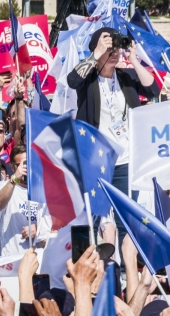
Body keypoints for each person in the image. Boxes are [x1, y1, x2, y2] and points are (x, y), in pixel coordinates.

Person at [67, 27, 160, 249]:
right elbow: (71, 80)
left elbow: (153, 90)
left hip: (126, 160)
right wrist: (97, 52)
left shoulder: (126, 77)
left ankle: (121, 271)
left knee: (124, 220)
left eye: (118, 48)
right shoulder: (88, 79)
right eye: (111, 48)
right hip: (96, 160)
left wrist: (134, 61)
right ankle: (86, 266)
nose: (115, 52)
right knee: (92, 217)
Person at [0, 145, 52, 256]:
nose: (25, 168)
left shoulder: (44, 192)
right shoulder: (2, 185)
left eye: (29, 164)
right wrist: (15, 178)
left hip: (37, 261)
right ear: (11, 166)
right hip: (11, 260)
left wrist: (38, 230)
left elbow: (52, 231)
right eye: (20, 164)